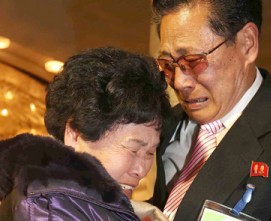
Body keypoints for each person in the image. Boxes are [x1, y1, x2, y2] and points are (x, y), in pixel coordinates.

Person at [151, 0, 271, 220]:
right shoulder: (158, 125)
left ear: (247, 44)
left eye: (193, 61)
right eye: (168, 64)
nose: (180, 82)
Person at [0, 47, 171, 220]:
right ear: (75, 133)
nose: (141, 170)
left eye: (150, 152)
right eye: (133, 149)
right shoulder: (48, 208)